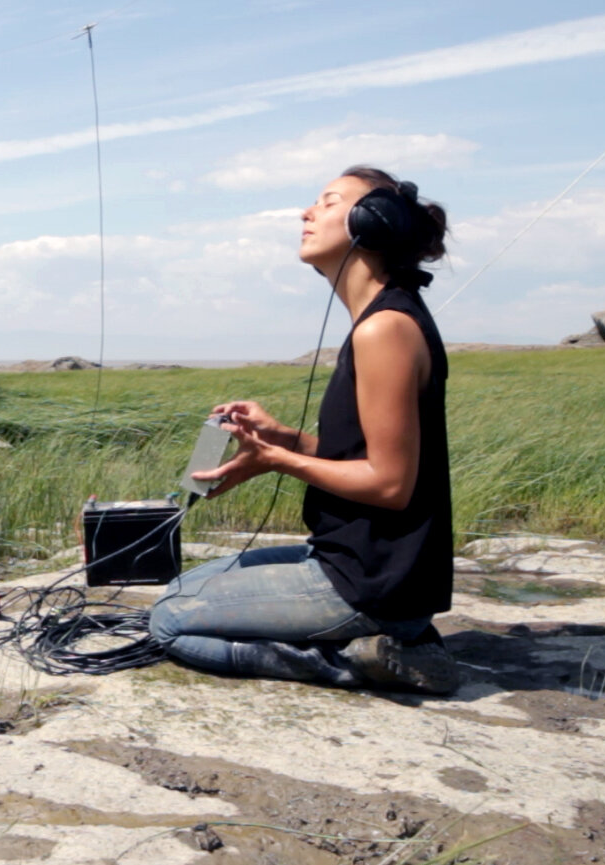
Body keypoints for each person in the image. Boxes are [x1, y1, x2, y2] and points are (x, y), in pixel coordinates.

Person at [147, 165, 461, 695]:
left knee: (170, 623)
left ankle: (363, 660)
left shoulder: (386, 327)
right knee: (182, 587)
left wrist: (276, 461)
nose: (306, 212)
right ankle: (395, 637)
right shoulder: (380, 320)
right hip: (351, 563)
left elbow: (390, 485)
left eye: (329, 201)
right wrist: (283, 437)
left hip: (369, 585)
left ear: (371, 223)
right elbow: (369, 457)